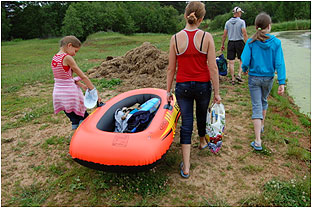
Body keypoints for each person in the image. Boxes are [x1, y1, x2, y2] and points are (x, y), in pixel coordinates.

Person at [166, 1, 221, 178]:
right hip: (203, 85)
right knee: (202, 114)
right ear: (202, 19)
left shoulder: (175, 38)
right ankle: (203, 142)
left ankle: (187, 167)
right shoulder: (207, 37)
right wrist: (217, 93)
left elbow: (170, 69)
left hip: (183, 86)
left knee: (187, 123)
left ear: (185, 15)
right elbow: (213, 67)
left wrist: (168, 91)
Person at [241, 13, 286, 150]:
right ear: (269, 26)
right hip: (268, 78)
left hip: (254, 78)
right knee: (264, 101)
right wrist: (281, 82)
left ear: (256, 27)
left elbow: (245, 59)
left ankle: (257, 141)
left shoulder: (251, 42)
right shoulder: (276, 43)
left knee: (256, 106)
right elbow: (280, 63)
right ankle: (261, 126)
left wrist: (244, 68)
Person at [51, 36, 100, 130]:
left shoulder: (55, 58)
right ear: (69, 45)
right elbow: (82, 76)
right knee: (84, 118)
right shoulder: (67, 57)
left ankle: (76, 131)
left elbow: (65, 78)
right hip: (70, 94)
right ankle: (86, 138)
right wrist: (93, 90)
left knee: (74, 119)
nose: (75, 54)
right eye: (75, 51)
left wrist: (82, 86)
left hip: (59, 95)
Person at [221, 6, 248, 85]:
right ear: (238, 13)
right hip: (239, 42)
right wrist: (247, 44)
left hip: (231, 42)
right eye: (240, 13)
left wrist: (222, 44)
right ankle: (239, 74)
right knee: (241, 59)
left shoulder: (227, 22)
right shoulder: (242, 22)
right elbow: (244, 33)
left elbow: (224, 35)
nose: (241, 14)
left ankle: (232, 78)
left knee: (231, 61)